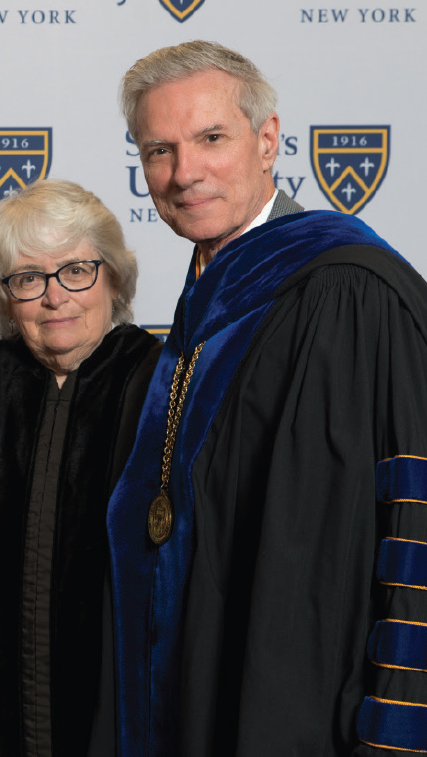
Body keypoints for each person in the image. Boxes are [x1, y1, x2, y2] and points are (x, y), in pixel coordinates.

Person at [106, 40, 427, 755]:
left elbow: (412, 522)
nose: (184, 173)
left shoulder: (345, 292)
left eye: (210, 138)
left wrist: (398, 732)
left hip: (306, 720)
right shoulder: (201, 313)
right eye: (159, 150)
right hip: (195, 704)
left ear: (267, 140)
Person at [0, 179, 161, 757]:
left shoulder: (164, 387)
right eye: (28, 279)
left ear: (112, 277)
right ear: (6, 296)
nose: (54, 296)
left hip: (123, 719)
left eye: (76, 271)